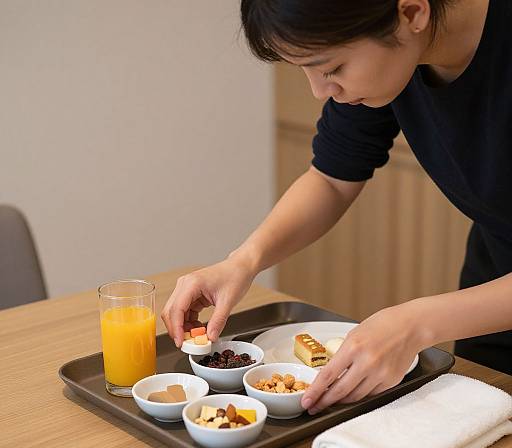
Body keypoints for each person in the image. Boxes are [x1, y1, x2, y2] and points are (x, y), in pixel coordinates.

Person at [162, 0, 512, 415]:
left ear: (412, 13)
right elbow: (331, 178)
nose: (320, 90)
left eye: (331, 69)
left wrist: (417, 323)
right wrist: (243, 261)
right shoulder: (400, 56)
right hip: (491, 295)